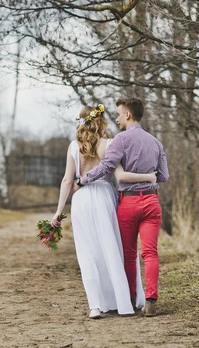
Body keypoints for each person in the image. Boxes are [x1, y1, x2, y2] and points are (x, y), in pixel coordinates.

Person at [51, 104, 153, 319]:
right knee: (112, 247)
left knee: (88, 254)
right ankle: (123, 302)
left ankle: (95, 306)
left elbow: (67, 180)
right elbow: (120, 175)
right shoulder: (110, 144)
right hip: (105, 197)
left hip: (81, 200)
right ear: (100, 121)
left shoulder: (73, 146)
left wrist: (58, 212)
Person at [79, 98, 169, 317]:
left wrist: (83, 180)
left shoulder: (121, 140)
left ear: (128, 114)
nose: (117, 118)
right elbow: (164, 176)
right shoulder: (155, 142)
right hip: (151, 201)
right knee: (150, 253)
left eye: (119, 114)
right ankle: (150, 300)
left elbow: (106, 166)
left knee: (129, 255)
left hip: (128, 203)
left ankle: (129, 299)